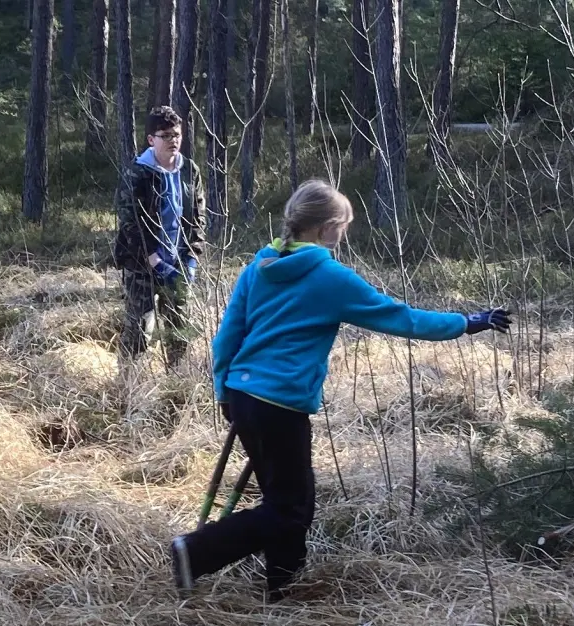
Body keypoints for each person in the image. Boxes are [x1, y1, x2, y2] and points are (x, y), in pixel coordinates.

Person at [170, 180, 512, 602]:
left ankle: (283, 585)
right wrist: (468, 322)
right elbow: (401, 318)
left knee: (287, 501)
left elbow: (226, 338)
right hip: (280, 404)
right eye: (343, 227)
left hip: (243, 396)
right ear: (327, 228)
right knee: (291, 508)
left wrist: (223, 390)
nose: (343, 235)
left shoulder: (258, 266)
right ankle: (195, 551)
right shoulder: (329, 277)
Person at [112, 105, 208, 373]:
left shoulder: (190, 170)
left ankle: (176, 381)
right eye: (165, 135)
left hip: (178, 262)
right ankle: (127, 383)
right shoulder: (138, 173)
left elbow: (199, 216)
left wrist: (191, 258)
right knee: (140, 330)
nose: (173, 140)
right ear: (151, 139)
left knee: (179, 329)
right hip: (142, 265)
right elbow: (130, 224)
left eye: (177, 134)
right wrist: (152, 259)